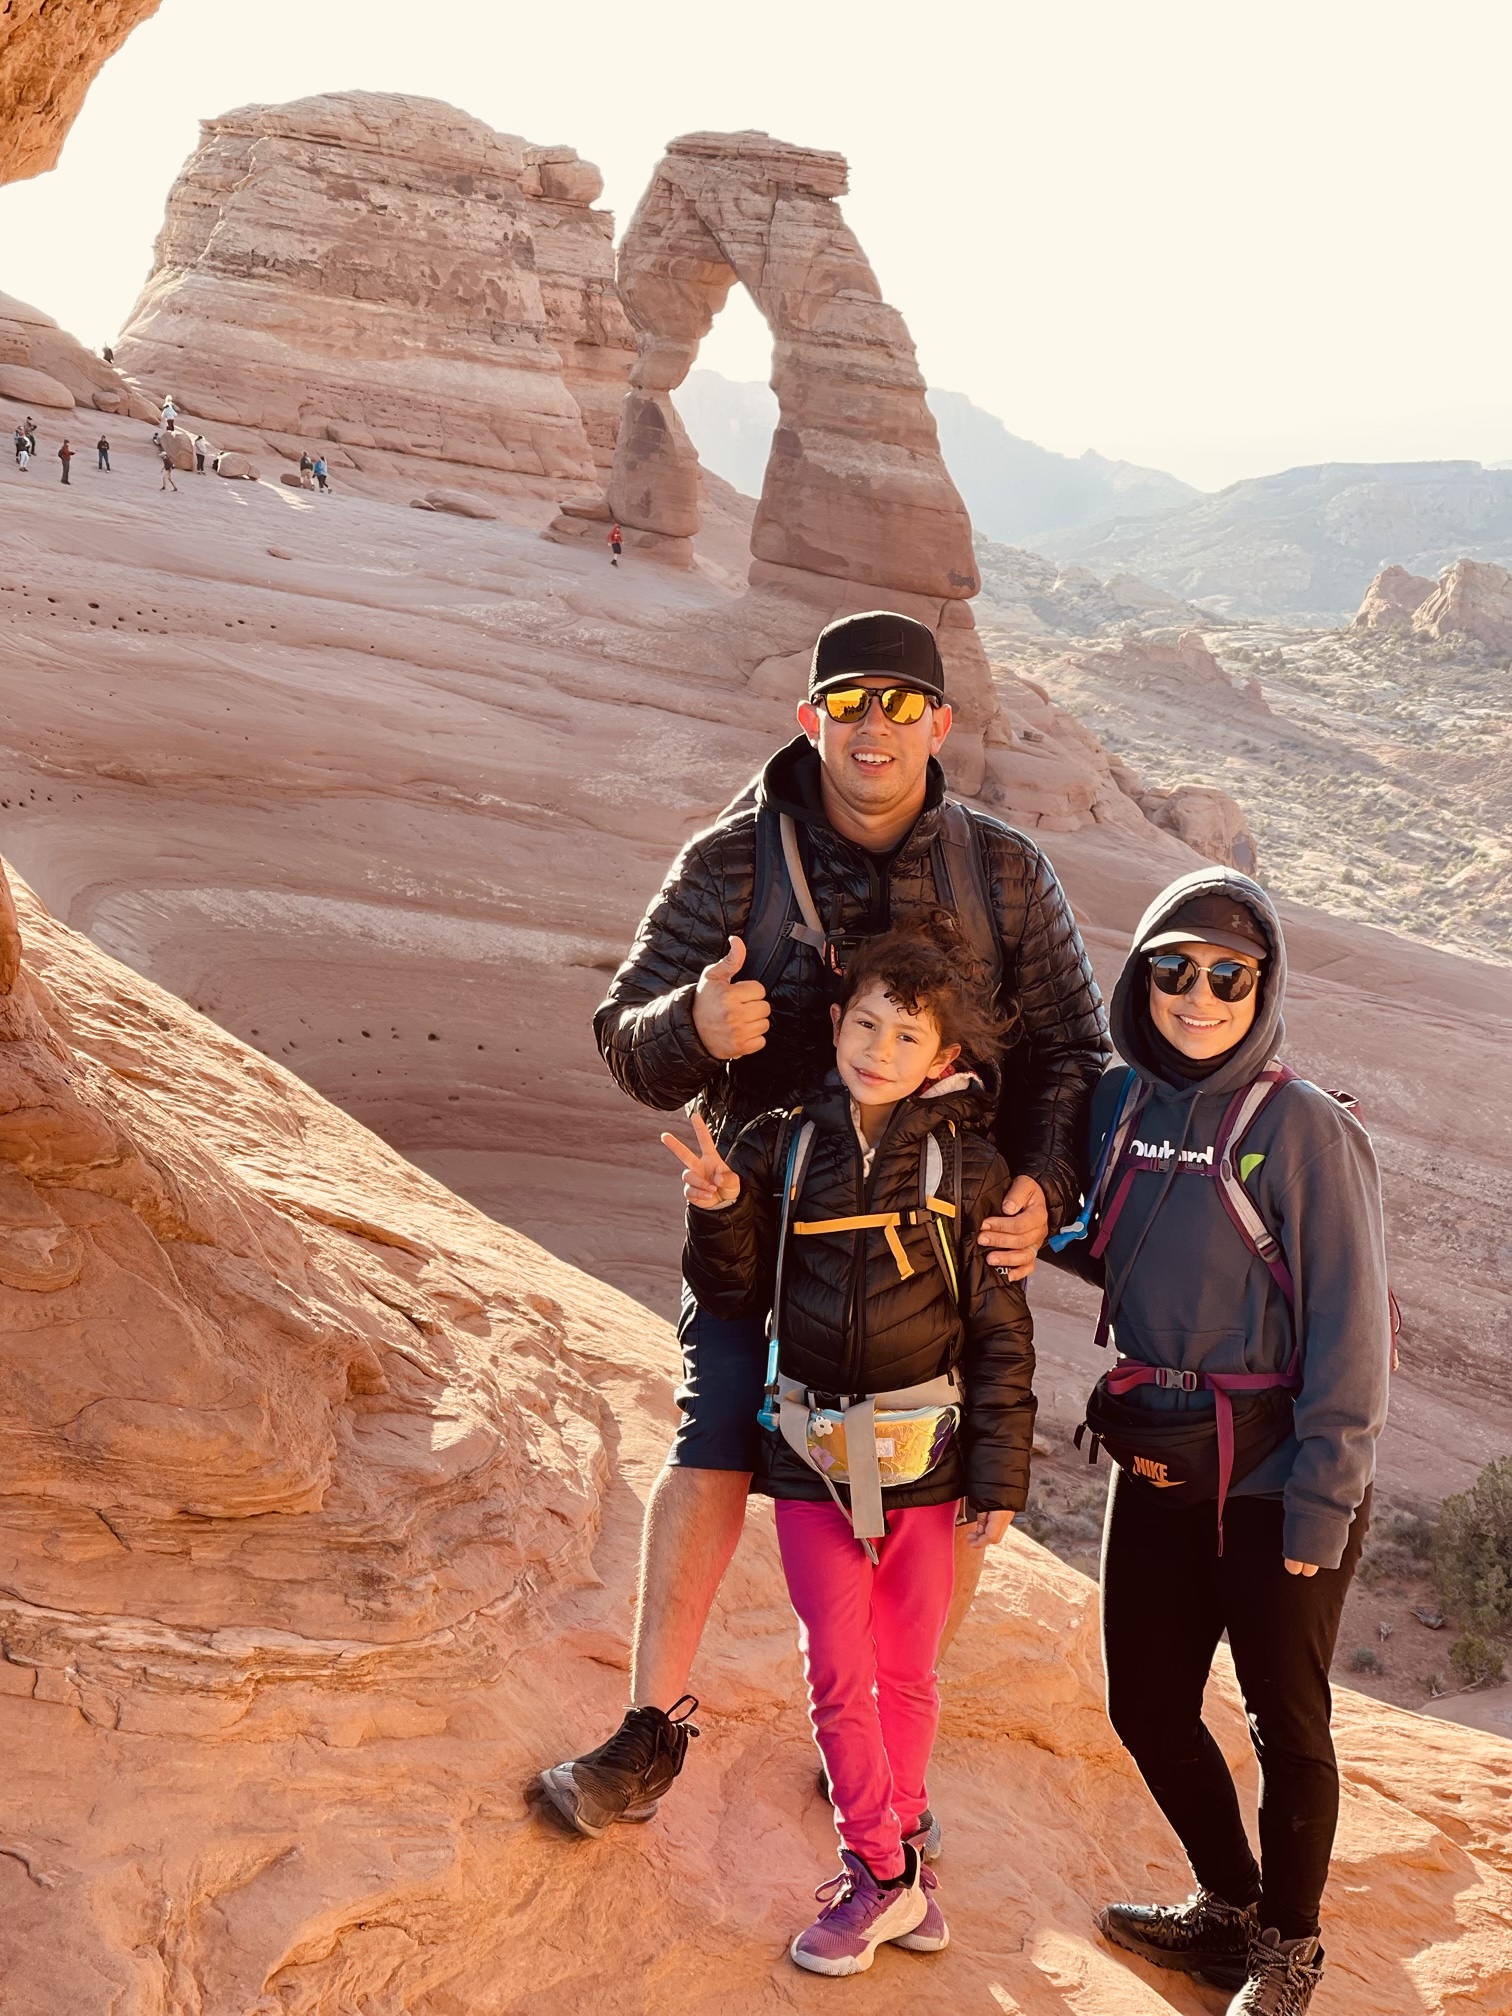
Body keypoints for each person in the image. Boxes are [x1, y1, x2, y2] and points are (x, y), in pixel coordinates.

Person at [536, 608, 1108, 1839]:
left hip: (935, 1240)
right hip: (764, 1222)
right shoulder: (731, 862)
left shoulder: (1001, 872)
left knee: (947, 1488)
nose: (875, 726)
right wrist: (692, 1029)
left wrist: (1046, 1190)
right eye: (851, 701)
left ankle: (880, 1743)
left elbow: (1073, 1048)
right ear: (812, 718)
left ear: (940, 725)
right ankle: (649, 1731)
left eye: (903, 705)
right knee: (714, 1448)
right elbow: (621, 1033)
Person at [1050, 871, 1389, 2016]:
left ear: (1263, 986)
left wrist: (1324, 1503)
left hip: (1276, 1461)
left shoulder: (1304, 1127)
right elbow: (1126, 1245)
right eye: (1173, 969)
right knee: (1145, 1702)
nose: (1197, 996)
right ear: (1142, 978)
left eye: (1227, 976)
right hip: (1159, 1444)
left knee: (1283, 1718)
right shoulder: (1122, 1106)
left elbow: (1351, 1320)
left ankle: (1288, 1954)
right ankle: (1230, 1907)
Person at [670, 920, 1036, 1974]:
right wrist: (721, 1212)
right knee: (838, 1672)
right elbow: (735, 1293)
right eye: (865, 1023)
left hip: (924, 1463)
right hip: (809, 1454)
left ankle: (900, 1861)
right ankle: (878, 1871)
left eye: (906, 1036)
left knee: (908, 1675)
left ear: (944, 1061)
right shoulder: (779, 1146)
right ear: (837, 1023)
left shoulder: (968, 1169)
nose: (878, 1049)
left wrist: (1001, 1474)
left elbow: (1000, 1332)